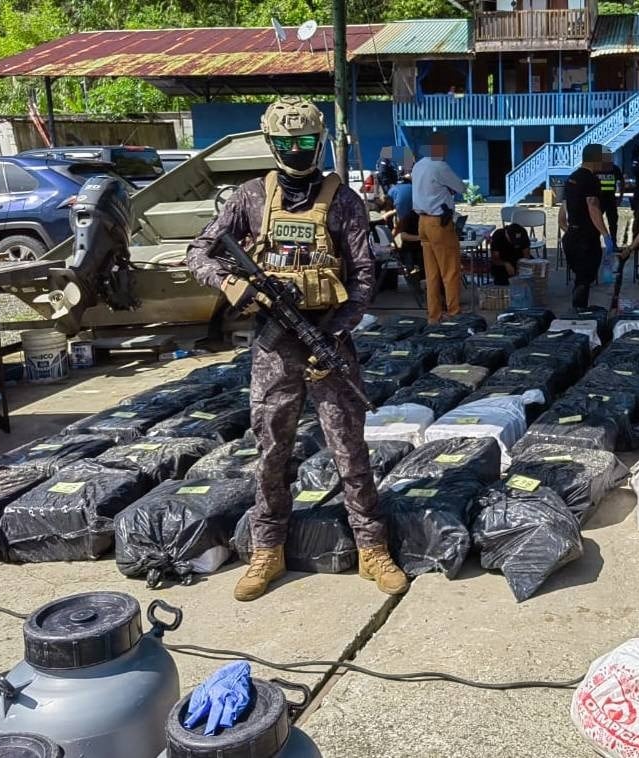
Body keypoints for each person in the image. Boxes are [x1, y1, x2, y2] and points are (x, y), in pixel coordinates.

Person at [185, 97, 408, 601]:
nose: (296, 150)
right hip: (272, 346)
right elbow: (199, 252)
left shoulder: (344, 200)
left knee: (350, 449)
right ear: (270, 143)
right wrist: (232, 286)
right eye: (286, 143)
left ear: (320, 141)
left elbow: (366, 274)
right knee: (271, 452)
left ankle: (371, 547)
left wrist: (333, 331)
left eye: (305, 142)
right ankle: (269, 548)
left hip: (328, 340)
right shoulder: (248, 197)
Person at [411, 132, 466, 323]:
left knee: (431, 273)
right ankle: (453, 313)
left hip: (423, 222)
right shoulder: (440, 166)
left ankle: (433, 315)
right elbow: (461, 187)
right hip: (438, 222)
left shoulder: (419, 165)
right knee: (450, 271)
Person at [559, 143, 614, 309]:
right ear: (595, 159)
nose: (605, 163)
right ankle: (579, 313)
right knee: (584, 280)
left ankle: (578, 311)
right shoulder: (591, 180)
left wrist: (568, 230)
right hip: (586, 238)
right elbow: (593, 207)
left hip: (570, 237)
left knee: (580, 278)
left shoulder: (570, 178)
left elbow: (562, 212)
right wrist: (605, 234)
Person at [596, 150, 624, 243]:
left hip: (611, 199)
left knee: (613, 222)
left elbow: (622, 182)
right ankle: (595, 242)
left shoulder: (615, 169)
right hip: (599, 200)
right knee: (596, 222)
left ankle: (613, 243)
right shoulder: (596, 169)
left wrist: (620, 197)